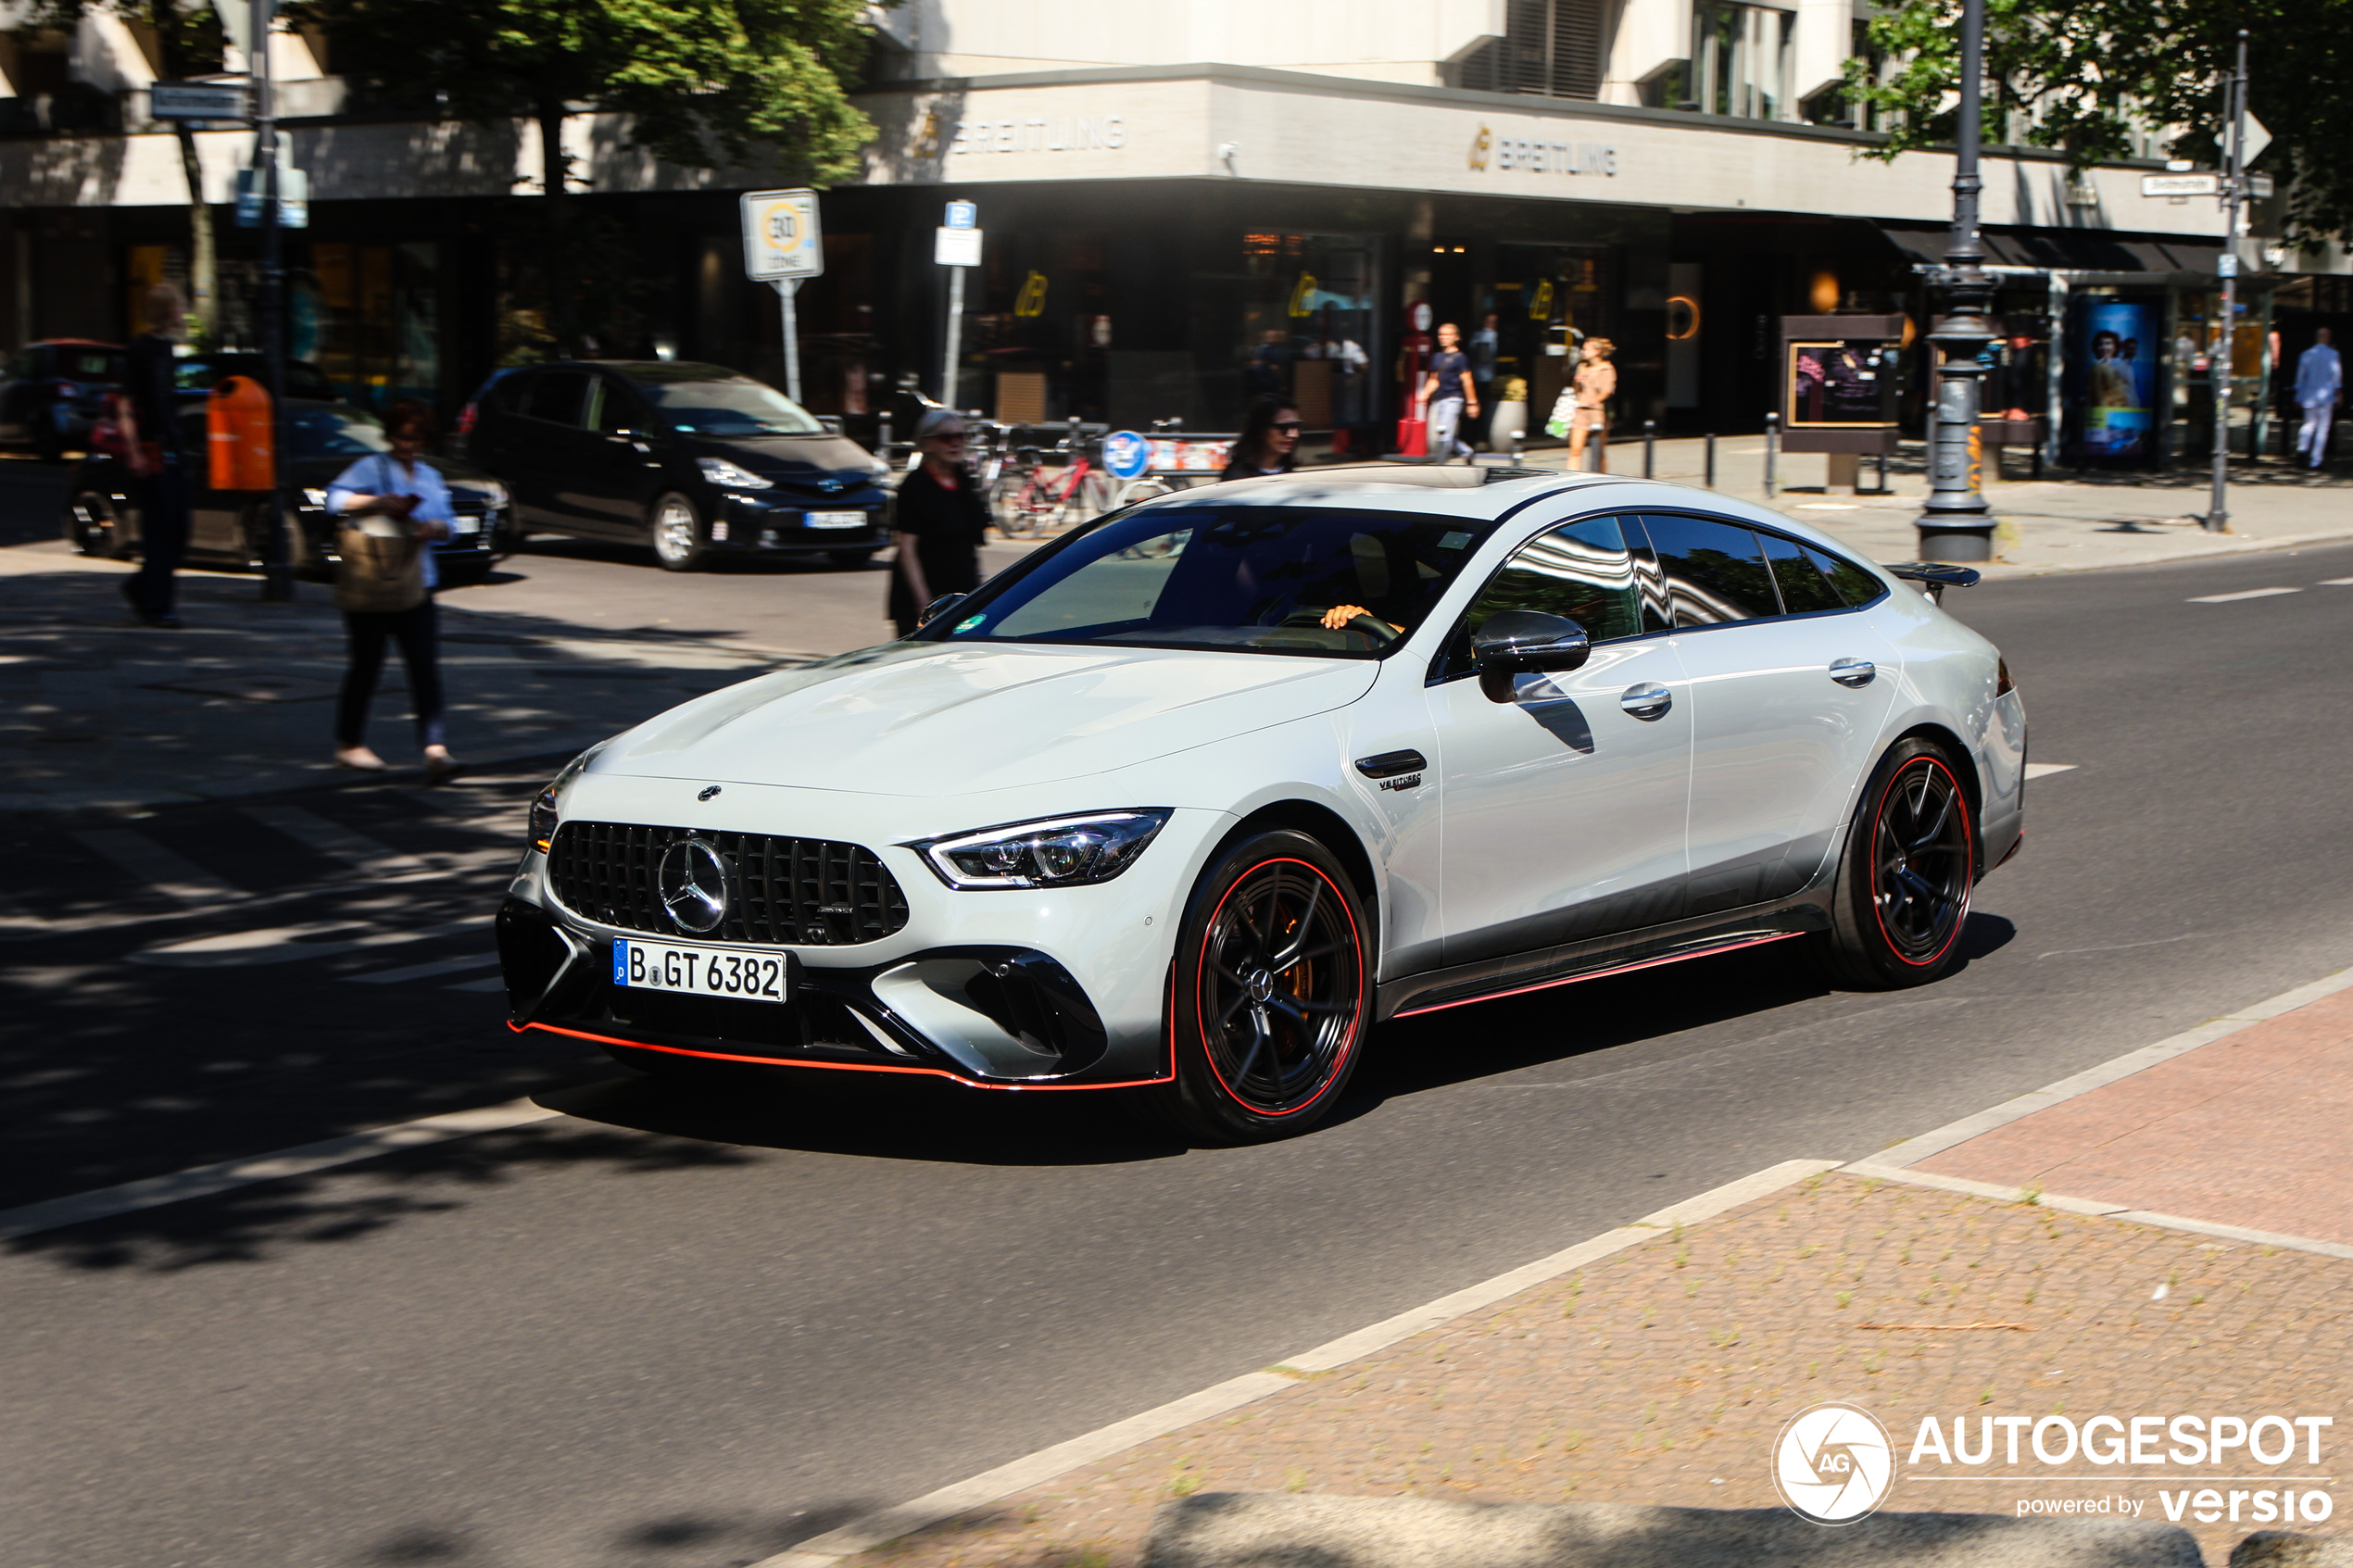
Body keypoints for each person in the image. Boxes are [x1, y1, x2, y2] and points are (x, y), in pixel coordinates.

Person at [326, 399, 459, 780]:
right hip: (373, 584)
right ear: (390, 435)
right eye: (401, 436)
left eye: (415, 438)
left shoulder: (431, 476)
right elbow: (333, 501)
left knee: (424, 668)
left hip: (419, 584)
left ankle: (435, 749)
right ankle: (348, 744)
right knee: (366, 667)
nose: (407, 444)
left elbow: (451, 525)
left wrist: (436, 528)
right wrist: (374, 501)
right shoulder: (372, 466)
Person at [121, 282, 191, 629]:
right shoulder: (142, 349)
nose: (182, 312)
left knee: (178, 527)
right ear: (165, 310)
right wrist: (133, 450)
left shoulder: (167, 349)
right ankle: (158, 606)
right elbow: (126, 403)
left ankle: (141, 587)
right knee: (160, 529)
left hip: (173, 446)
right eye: (178, 306)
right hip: (152, 449)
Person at [888, 408, 990, 637]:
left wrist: (980, 592)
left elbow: (969, 544)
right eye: (946, 437)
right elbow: (907, 548)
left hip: (961, 592)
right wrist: (924, 603)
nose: (955, 443)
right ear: (926, 444)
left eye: (960, 436)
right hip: (924, 593)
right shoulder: (915, 486)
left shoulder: (963, 481)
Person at [1417, 321, 1479, 463]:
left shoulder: (1460, 358)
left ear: (1456, 337)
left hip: (1453, 399)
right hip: (1438, 399)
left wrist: (1472, 403)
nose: (1443, 337)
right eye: (1441, 334)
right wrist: (1425, 394)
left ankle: (1441, 463)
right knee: (1439, 432)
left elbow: (1467, 380)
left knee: (1445, 433)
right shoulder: (1436, 357)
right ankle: (1466, 451)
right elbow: (1434, 379)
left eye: (1447, 334)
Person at [1220, 395, 1302, 482]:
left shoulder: (1291, 474)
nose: (1294, 434)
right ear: (1261, 430)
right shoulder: (1238, 478)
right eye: (1283, 427)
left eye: (1297, 426)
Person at [1567, 336, 1617, 472]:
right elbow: (1575, 391)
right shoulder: (1582, 367)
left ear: (1597, 351)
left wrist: (1596, 399)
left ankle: (1601, 477)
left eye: (1585, 349)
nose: (1582, 352)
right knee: (1575, 448)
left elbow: (1608, 390)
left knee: (1598, 449)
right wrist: (1576, 381)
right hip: (1581, 410)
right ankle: (1571, 478)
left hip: (1598, 411)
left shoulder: (1607, 369)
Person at [2296, 327, 2343, 469]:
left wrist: (2298, 395)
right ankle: (2316, 460)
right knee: (2323, 428)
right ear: (2328, 338)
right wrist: (2338, 392)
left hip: (2309, 394)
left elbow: (2300, 376)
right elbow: (2336, 375)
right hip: (2326, 395)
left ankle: (2302, 448)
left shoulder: (2306, 354)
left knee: (2309, 423)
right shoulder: (2333, 354)